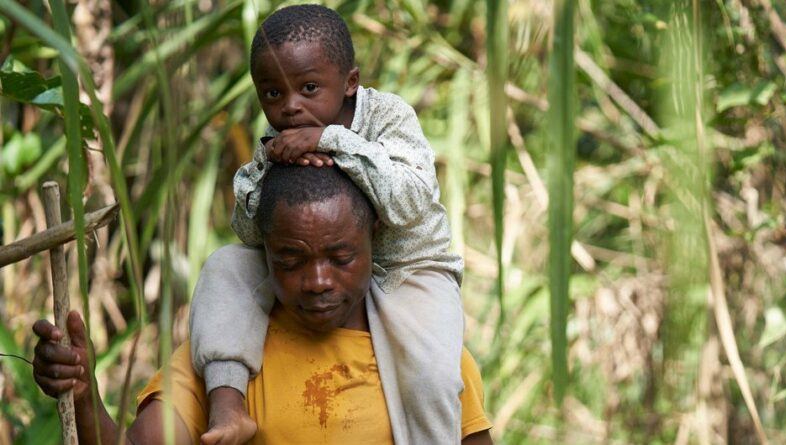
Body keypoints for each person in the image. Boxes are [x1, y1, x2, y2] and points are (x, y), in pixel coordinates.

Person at [31, 165, 493, 445]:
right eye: (291, 260)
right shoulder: (222, 359)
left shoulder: (428, 356)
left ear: (374, 237)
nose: (317, 282)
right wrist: (84, 392)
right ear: (263, 250)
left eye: (341, 257)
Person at [189, 4, 465, 444]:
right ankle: (228, 408)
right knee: (224, 268)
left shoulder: (388, 116)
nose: (291, 107)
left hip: (410, 270)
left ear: (350, 83)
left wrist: (333, 142)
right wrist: (268, 169)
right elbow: (248, 230)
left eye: (309, 88)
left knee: (432, 377)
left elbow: (411, 201)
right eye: (273, 94)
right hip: (313, 264)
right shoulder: (280, 136)